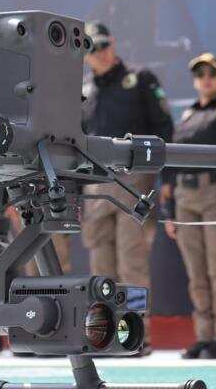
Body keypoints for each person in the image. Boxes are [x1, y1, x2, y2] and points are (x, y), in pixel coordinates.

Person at [81, 21, 174, 355]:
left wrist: (167, 180)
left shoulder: (140, 78)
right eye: (92, 48)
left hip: (133, 182)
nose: (100, 53)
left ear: (114, 43)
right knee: (100, 266)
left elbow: (165, 129)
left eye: (104, 45)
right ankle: (104, 336)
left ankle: (137, 335)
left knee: (131, 261)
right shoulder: (86, 91)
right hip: (96, 184)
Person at [161, 53, 216, 360]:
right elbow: (170, 163)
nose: (206, 78)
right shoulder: (186, 115)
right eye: (200, 74)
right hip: (185, 199)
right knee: (196, 273)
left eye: (212, 72)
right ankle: (203, 336)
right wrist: (169, 211)